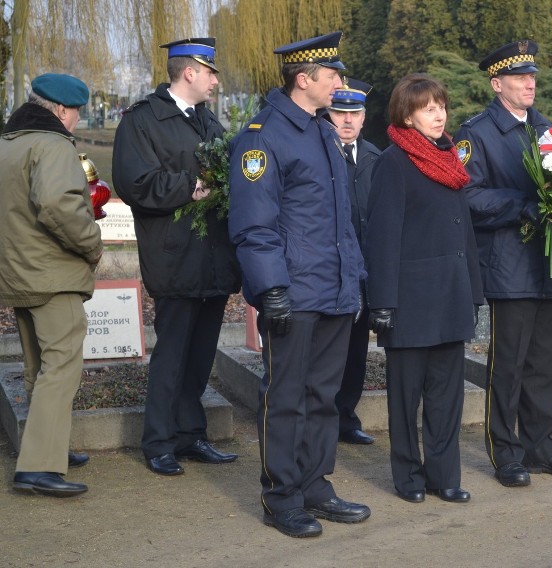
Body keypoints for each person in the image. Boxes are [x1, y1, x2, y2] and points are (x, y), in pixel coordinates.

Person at [228, 31, 371, 539]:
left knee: (323, 395)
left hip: (333, 291)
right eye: (333, 75)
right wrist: (270, 290)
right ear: (304, 79)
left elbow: (341, 222)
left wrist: (353, 282)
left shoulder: (323, 131)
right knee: (285, 396)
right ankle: (281, 496)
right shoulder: (263, 136)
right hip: (294, 291)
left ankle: (314, 484)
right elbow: (253, 223)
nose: (341, 82)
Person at [454, 40, 552, 488]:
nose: (530, 83)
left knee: (547, 361)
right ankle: (506, 451)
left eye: (532, 76)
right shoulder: (475, 134)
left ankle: (542, 444)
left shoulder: (551, 130)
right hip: (509, 265)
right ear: (497, 85)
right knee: (508, 364)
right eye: (519, 78)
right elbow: (467, 196)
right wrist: (523, 206)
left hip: (549, 264)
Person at [112, 38, 242, 476]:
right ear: (190, 72)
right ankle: (159, 441)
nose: (216, 81)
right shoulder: (144, 120)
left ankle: (190, 435)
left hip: (212, 257)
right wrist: (191, 186)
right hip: (174, 254)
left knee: (201, 354)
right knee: (171, 355)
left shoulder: (209, 122)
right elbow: (134, 182)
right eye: (211, 72)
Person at [365, 73, 483, 504]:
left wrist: (474, 290)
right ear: (407, 116)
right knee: (405, 397)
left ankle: (443, 475)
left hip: (451, 295)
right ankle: (409, 478)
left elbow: (464, 232)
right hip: (410, 302)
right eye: (427, 108)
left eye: (441, 106)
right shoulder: (394, 163)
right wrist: (383, 302)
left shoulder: (450, 159)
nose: (438, 114)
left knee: (446, 396)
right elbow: (382, 237)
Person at [0, 73, 103, 497]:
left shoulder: (8, 144)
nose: (77, 120)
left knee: (37, 366)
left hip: (16, 271)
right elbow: (58, 206)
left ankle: (47, 447)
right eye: (76, 112)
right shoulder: (54, 144)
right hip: (52, 273)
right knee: (61, 366)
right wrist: (93, 243)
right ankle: (39, 466)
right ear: (62, 110)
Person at [324, 78, 381, 446]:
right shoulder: (319, 154)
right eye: (339, 113)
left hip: (364, 274)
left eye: (354, 114)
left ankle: (346, 417)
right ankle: (323, 420)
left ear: (364, 117)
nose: (347, 121)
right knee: (329, 352)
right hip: (330, 272)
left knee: (357, 351)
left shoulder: (377, 158)